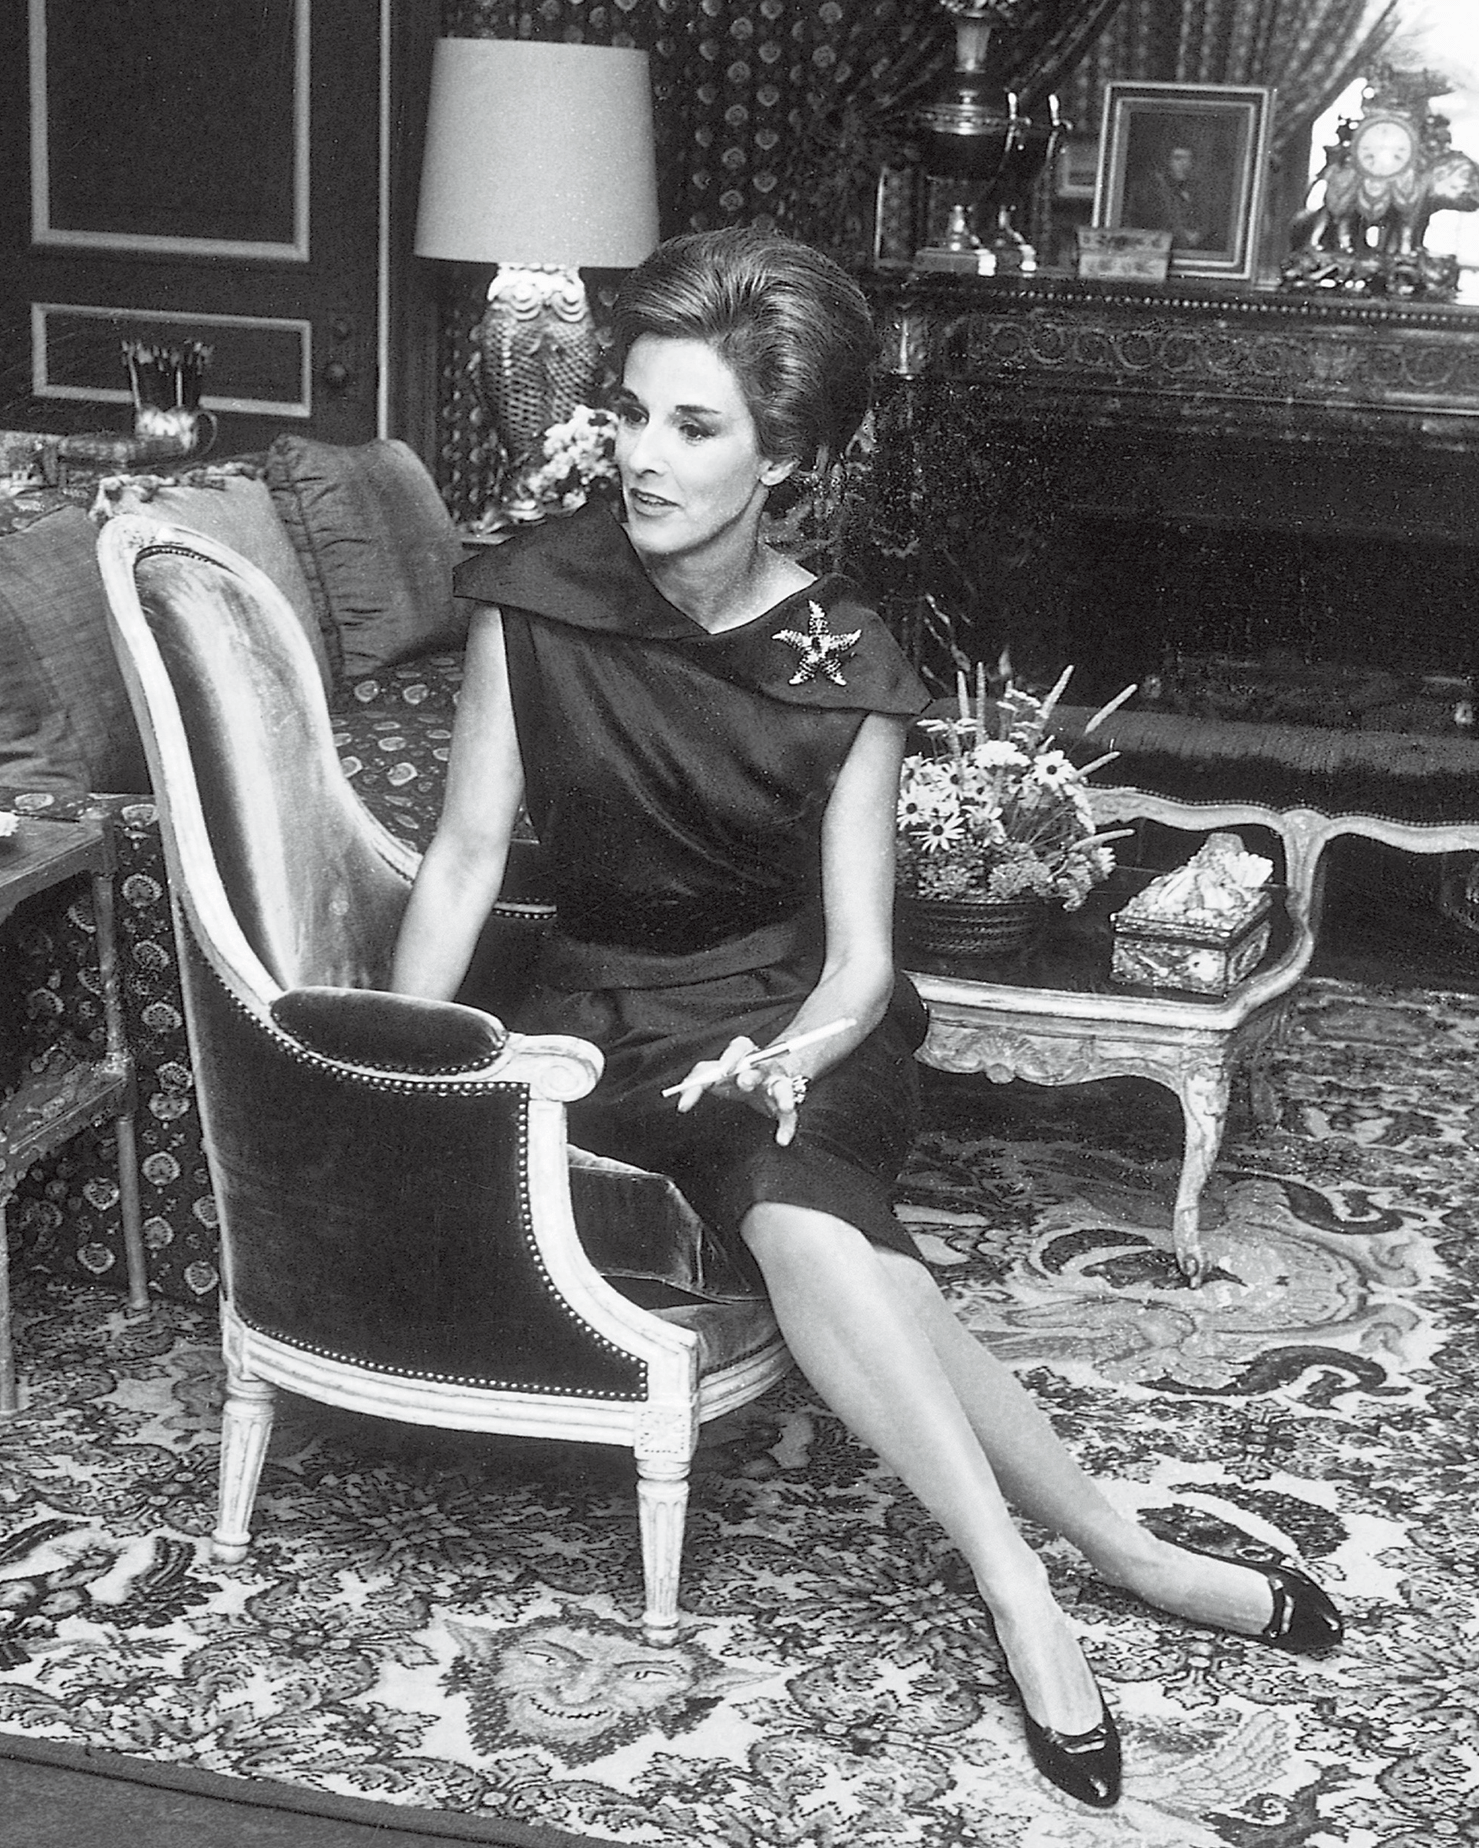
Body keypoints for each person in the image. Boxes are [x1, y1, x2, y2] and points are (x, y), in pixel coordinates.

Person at [390, 226, 1342, 1810]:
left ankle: (1041, 1583)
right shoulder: (528, 595)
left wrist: (795, 1054)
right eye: (630, 413)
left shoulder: (851, 667)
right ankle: (1099, 1557)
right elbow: (466, 856)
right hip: (600, 1019)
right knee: (860, 1258)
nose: (641, 455)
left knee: (798, 1201)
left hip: (796, 1026)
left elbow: (853, 968)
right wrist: (389, 1067)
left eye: (693, 426)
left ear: (784, 459)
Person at [1127, 138, 1218, 249]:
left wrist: (1199, 234)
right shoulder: (1151, 189)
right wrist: (1181, 234)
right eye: (1178, 159)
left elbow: (1208, 222)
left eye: (1188, 159)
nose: (1184, 164)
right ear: (1167, 162)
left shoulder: (1198, 191)